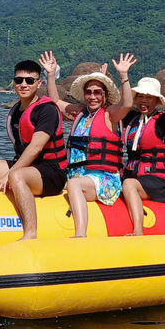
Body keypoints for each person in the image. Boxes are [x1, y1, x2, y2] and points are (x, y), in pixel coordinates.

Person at [39, 51, 136, 237]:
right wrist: (50, 75)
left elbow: (126, 104)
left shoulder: (110, 115)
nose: (92, 97)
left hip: (104, 180)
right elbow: (54, 101)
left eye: (97, 92)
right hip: (78, 175)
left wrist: (124, 77)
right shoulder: (81, 114)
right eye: (89, 92)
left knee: (74, 184)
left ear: (105, 96)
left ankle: (81, 234)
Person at [0, 60, 67, 240]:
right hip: (27, 166)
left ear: (39, 84)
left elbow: (36, 148)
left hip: (52, 172)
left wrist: (10, 174)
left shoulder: (47, 110)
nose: (24, 84)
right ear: (14, 82)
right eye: (19, 80)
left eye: (30, 81)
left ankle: (30, 234)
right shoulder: (17, 110)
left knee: (17, 176)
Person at [121, 69, 165, 236]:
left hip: (157, 181)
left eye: (149, 97)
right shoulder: (131, 119)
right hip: (134, 174)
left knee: (128, 184)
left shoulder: (163, 121)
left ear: (157, 100)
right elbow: (116, 107)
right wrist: (122, 77)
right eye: (141, 96)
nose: (143, 101)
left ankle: (138, 230)